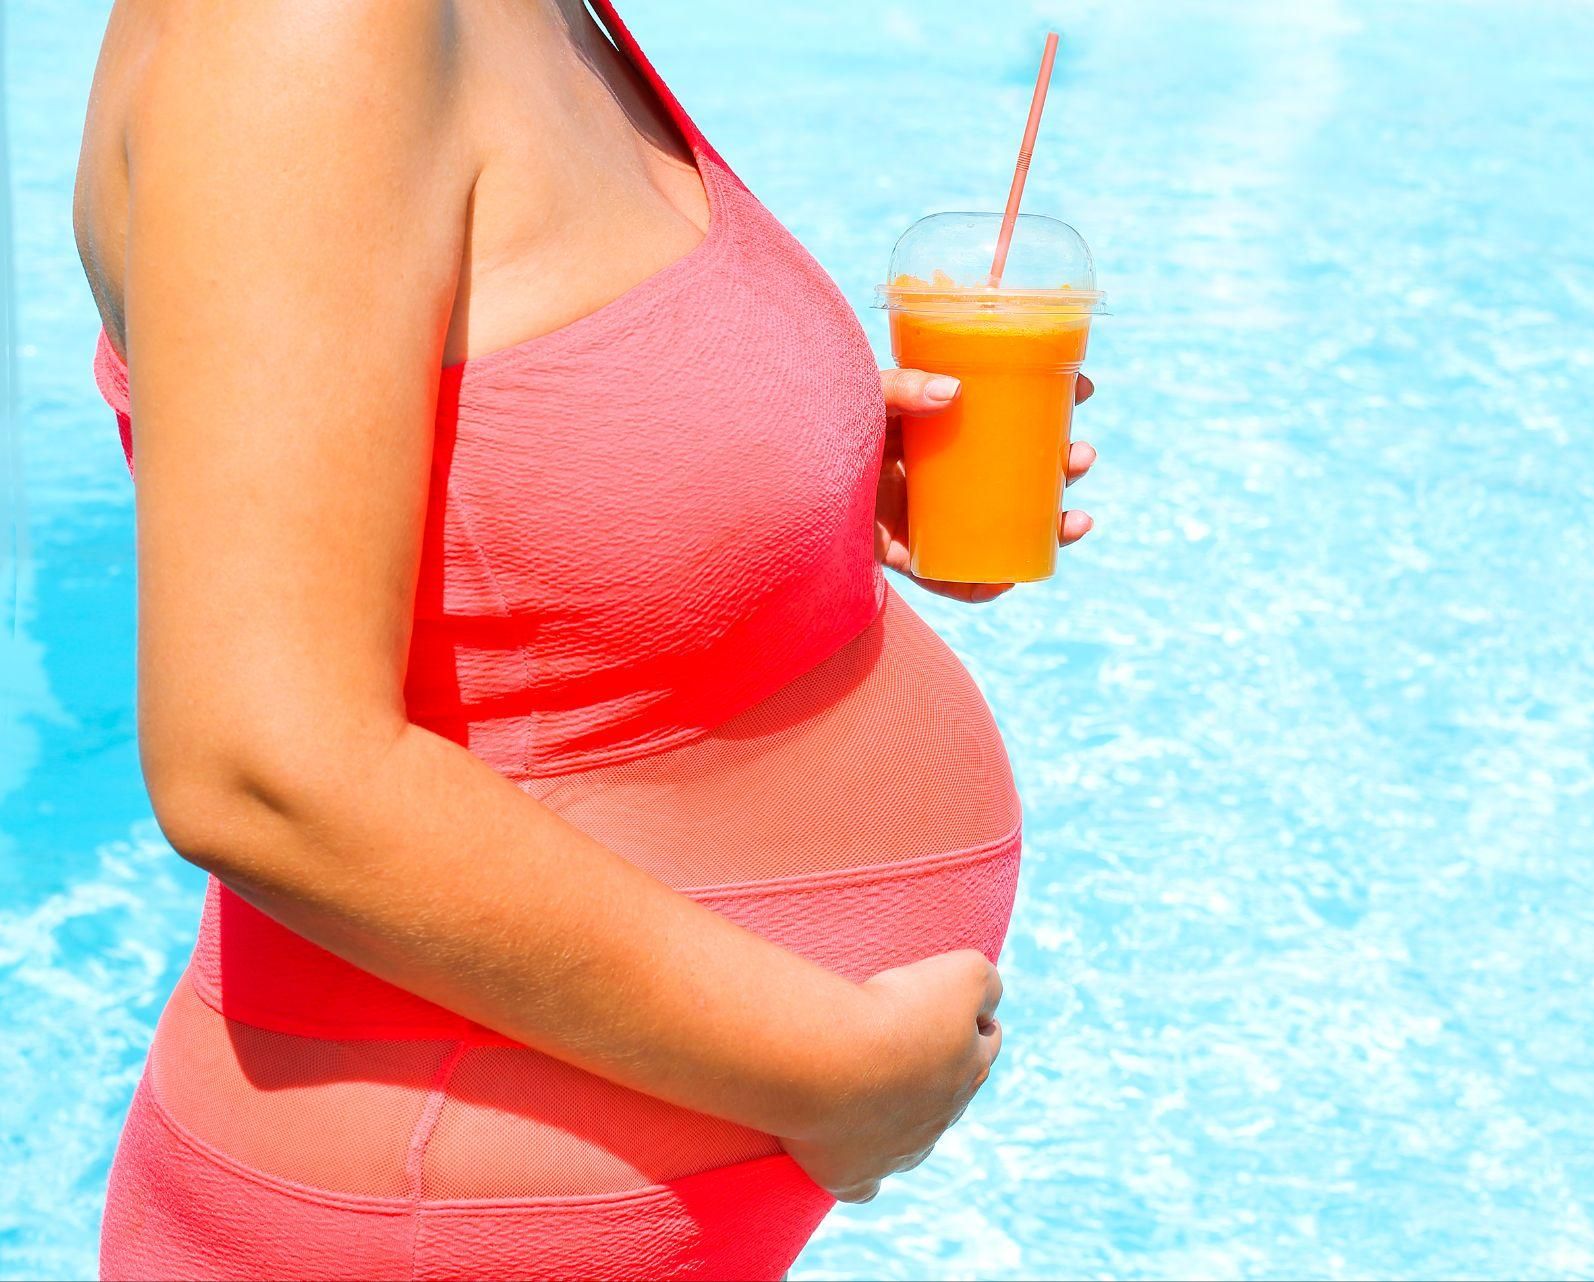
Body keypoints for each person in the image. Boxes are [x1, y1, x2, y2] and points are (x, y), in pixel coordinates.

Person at [71, 1, 1097, 1276]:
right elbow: (259, 770)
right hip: (435, 1216)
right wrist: (830, 1070)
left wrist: (780, 486)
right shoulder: (309, 26)